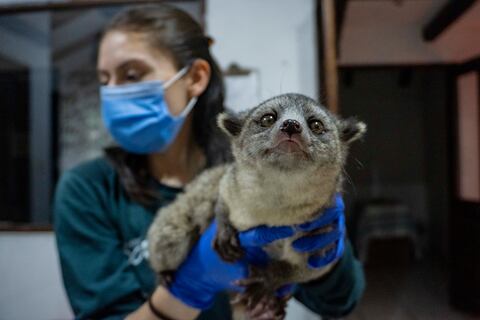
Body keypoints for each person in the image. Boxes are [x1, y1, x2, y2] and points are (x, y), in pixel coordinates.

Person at [53, 4, 365, 320]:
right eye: (105, 80)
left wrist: (322, 261)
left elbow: (342, 302)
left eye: (132, 75)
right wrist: (186, 289)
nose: (114, 93)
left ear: (195, 77)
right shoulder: (88, 189)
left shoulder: (280, 177)